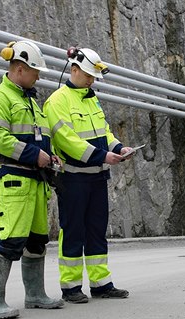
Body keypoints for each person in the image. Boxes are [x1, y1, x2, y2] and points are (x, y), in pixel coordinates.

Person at [0, 40, 64, 319]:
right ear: (18, 69)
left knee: (38, 240)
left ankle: (36, 295)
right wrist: (33, 155)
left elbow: (41, 138)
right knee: (12, 240)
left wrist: (50, 158)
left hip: (37, 181)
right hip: (15, 179)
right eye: (34, 71)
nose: (38, 76)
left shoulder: (30, 100)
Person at [43, 46, 133, 303]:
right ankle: (70, 287)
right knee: (73, 230)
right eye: (88, 76)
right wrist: (104, 155)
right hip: (73, 178)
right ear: (73, 70)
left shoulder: (90, 98)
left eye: (94, 77)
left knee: (96, 229)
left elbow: (104, 131)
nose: (92, 81)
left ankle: (101, 283)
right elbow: (68, 141)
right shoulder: (57, 102)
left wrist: (117, 147)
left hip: (96, 176)